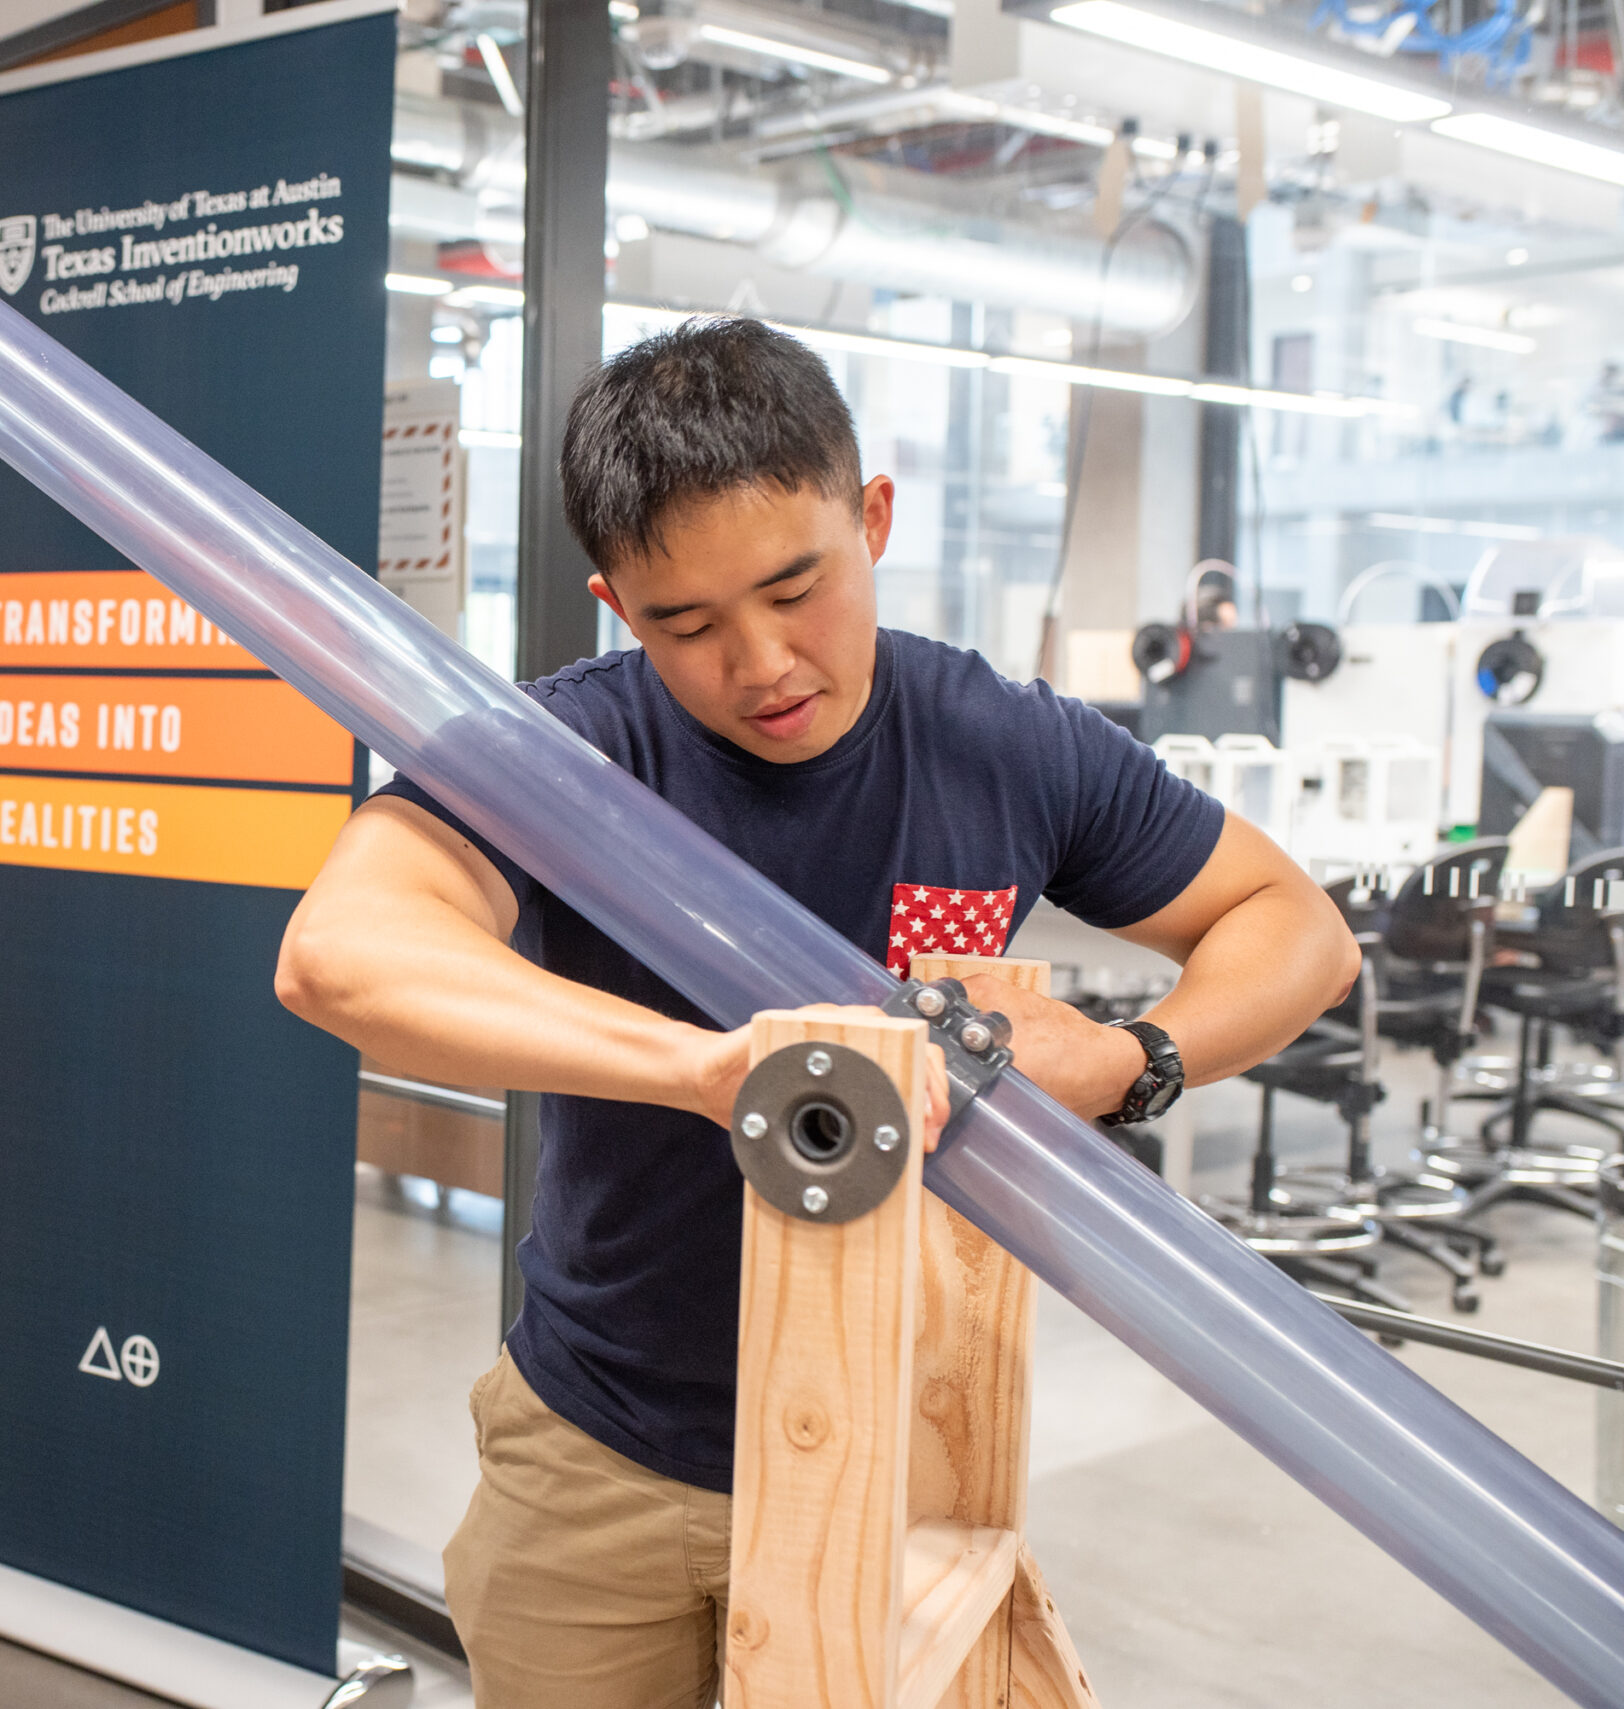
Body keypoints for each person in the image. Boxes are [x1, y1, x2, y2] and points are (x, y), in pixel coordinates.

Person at [274, 318, 1359, 1708]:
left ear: (876, 520)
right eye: (688, 623)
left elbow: (1298, 929)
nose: (763, 659)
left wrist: (1130, 1058)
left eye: (799, 586)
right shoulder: (567, 753)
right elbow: (341, 957)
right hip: (603, 1449)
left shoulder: (1006, 744)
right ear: (617, 605)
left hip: (906, 1451)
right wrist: (721, 1069)